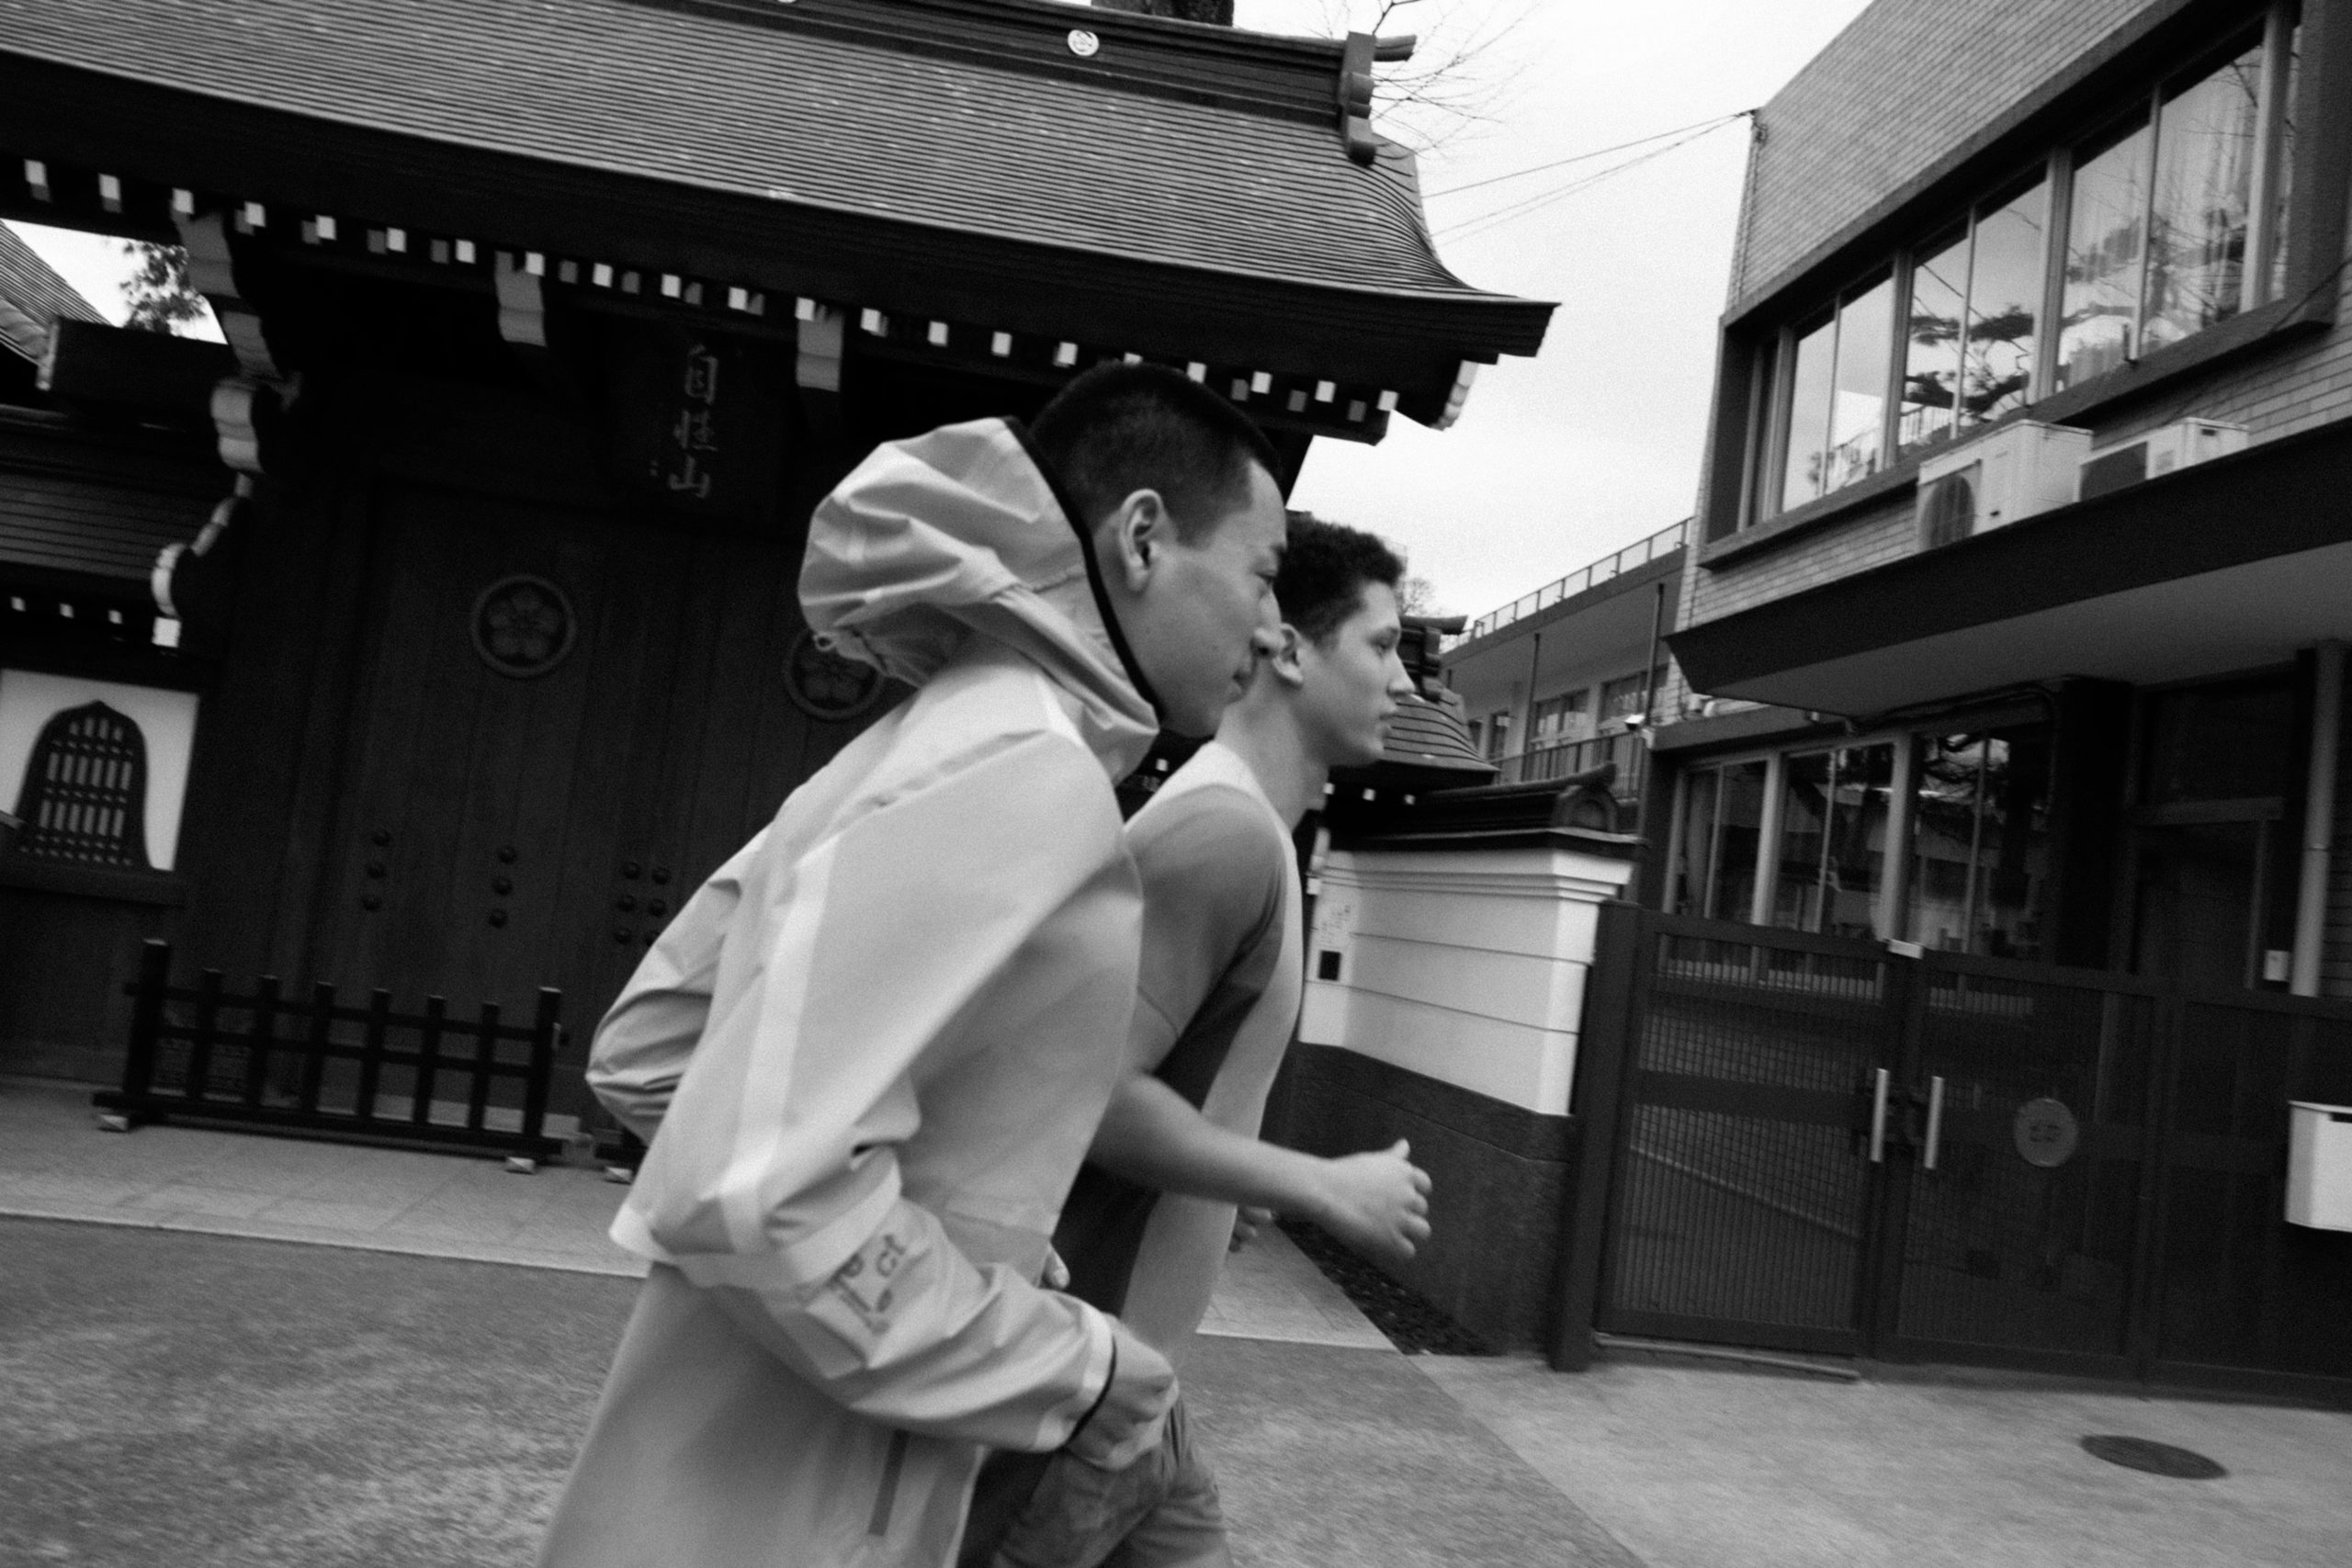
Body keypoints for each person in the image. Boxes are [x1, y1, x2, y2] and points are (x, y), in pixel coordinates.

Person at [537, 363, 1290, 1568]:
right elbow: (755, 1190)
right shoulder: (1028, 768)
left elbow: (656, 1050)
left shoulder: (933, 733)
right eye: (1262, 572)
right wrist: (1069, 1361)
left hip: (697, 1482)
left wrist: (963, 1246)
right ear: (1143, 537)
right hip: (803, 1519)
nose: (1270, 627)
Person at [964, 514, 1430, 1568]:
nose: (1404, 682)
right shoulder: (1221, 837)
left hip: (1145, 1390)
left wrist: (1223, 1184)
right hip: (1084, 1390)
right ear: (1289, 649)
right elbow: (1090, 1091)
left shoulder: (1249, 832)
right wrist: (1316, 1184)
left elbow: (1161, 1085)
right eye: (1383, 644)